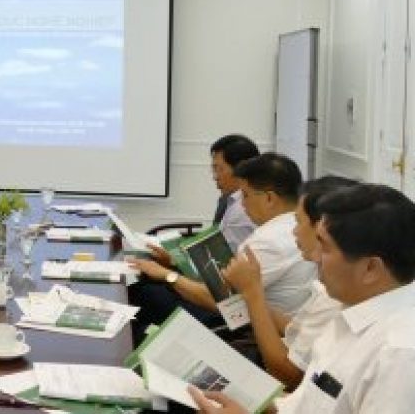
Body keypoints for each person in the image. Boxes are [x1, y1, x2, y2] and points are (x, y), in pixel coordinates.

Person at [191, 184, 415, 414]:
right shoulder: (348, 316)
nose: (315, 257)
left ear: (370, 268)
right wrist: (243, 400)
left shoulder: (399, 353)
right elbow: (306, 404)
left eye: (325, 248)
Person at [130, 153, 315, 320]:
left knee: (143, 294)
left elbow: (226, 304)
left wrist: (167, 275)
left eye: (245, 195)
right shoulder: (297, 227)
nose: (242, 204)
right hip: (259, 318)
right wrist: (175, 266)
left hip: (237, 327)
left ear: (269, 198)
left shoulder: (268, 241)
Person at [222, 176, 356, 388]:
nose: (294, 231)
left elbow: (289, 375)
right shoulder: (330, 285)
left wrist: (252, 292)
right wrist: (251, 292)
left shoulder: (337, 296)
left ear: (321, 229)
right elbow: (297, 330)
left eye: (298, 222)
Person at [209, 134, 260, 251]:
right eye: (213, 169)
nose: (215, 177)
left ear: (240, 169)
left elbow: (222, 258)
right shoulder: (229, 201)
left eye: (219, 169)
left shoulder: (241, 210)